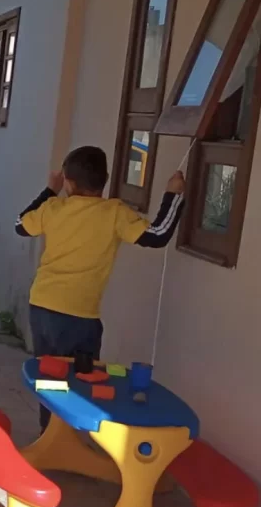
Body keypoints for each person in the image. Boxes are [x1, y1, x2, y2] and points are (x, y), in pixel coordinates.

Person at [15, 146, 186, 432]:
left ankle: (50, 437)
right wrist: (174, 194)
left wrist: (49, 191)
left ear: (68, 182)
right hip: (79, 316)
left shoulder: (54, 208)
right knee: (81, 379)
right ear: (104, 180)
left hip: (41, 306)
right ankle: (66, 440)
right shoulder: (114, 213)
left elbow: (20, 225)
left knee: (49, 377)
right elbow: (157, 236)